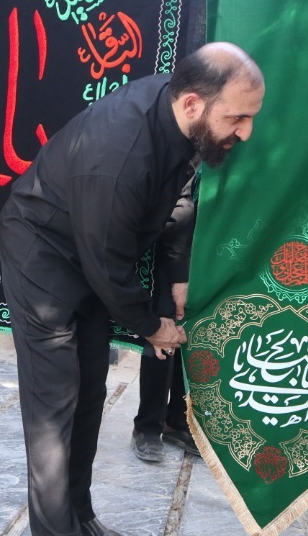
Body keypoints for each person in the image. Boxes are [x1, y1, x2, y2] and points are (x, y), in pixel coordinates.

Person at [0, 42, 264, 536]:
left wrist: (178, 273)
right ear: (193, 104)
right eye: (237, 118)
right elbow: (108, 263)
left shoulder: (178, 111)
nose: (246, 131)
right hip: (42, 252)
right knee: (54, 401)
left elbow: (177, 197)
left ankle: (81, 517)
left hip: (90, 248)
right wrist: (151, 326)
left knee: (90, 391)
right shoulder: (118, 154)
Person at [132, 170, 198, 463]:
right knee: (163, 332)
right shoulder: (188, 153)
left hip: (208, 254)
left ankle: (179, 421)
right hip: (172, 250)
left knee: (193, 334)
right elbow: (178, 210)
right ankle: (147, 427)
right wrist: (179, 275)